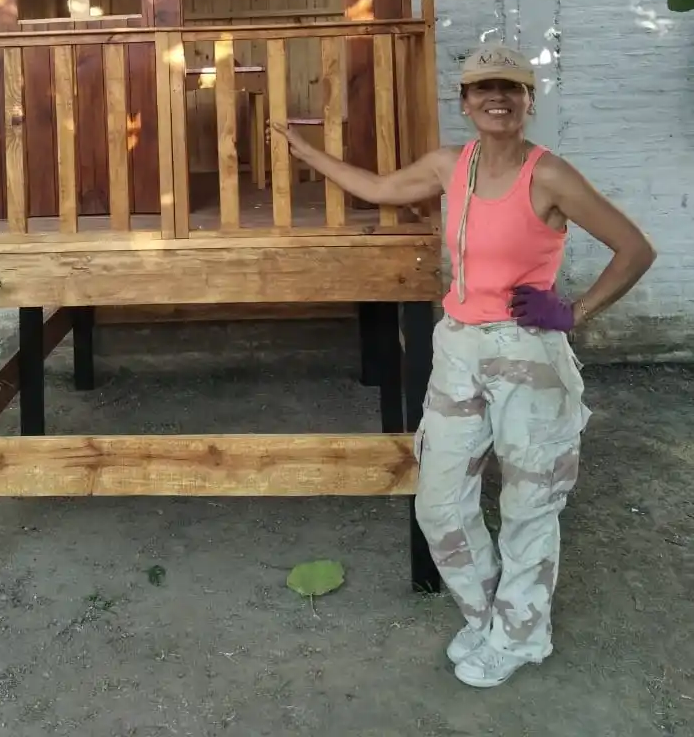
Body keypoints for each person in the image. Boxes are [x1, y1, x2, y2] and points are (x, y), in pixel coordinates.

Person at [273, 44, 655, 688]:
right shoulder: (452, 165)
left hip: (528, 355)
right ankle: (487, 619)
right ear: (466, 101)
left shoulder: (550, 176)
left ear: (530, 100)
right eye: (483, 89)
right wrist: (304, 152)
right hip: (457, 346)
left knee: (531, 503)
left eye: (511, 88)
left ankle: (521, 637)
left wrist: (575, 311)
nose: (496, 99)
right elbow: (378, 188)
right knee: (441, 501)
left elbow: (635, 248)